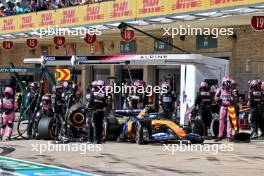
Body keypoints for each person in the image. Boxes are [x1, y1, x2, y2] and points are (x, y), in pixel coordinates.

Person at [215, 76, 233, 141]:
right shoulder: (220, 89)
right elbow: (215, 97)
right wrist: (218, 100)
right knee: (221, 121)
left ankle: (229, 135)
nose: (228, 85)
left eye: (229, 83)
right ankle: (220, 135)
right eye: (227, 83)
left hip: (230, 107)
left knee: (229, 121)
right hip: (223, 106)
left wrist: (232, 99)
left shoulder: (231, 90)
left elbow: (235, 98)